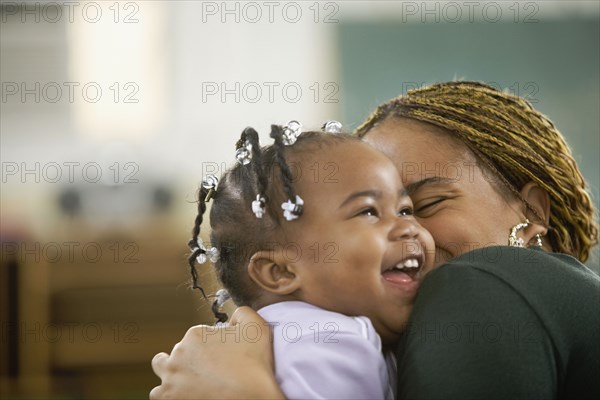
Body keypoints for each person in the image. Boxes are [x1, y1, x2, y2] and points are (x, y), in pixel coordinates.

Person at [150, 81, 599, 399]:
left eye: (420, 205)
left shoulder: (482, 282)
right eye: (365, 212)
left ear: (534, 211)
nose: (410, 230)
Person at [176, 123, 435, 399]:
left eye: (405, 210)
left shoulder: (282, 336)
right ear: (279, 272)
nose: (408, 227)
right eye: (368, 212)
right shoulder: (331, 340)